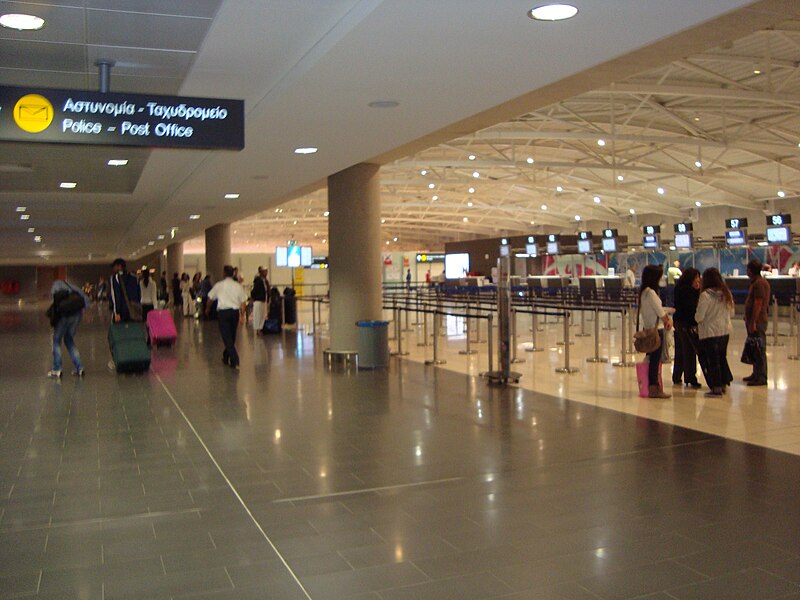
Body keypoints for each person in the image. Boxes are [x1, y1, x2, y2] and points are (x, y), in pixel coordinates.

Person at [695, 268, 734, 397]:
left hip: (710, 332)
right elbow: (732, 312)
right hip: (724, 330)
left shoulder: (705, 295)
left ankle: (716, 387)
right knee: (722, 358)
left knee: (713, 360)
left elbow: (699, 317)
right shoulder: (726, 293)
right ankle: (723, 383)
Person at [639, 264, 672, 399]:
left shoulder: (643, 292)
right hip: (656, 331)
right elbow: (660, 311)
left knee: (652, 358)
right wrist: (667, 319)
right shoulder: (651, 293)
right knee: (655, 360)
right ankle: (654, 387)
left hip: (648, 329)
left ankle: (650, 385)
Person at [207, 265, 247, 370]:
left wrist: (207, 309)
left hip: (223, 313)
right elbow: (243, 302)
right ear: (233, 273)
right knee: (232, 337)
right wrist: (242, 315)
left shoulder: (219, 285)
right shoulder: (238, 286)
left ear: (224, 273)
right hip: (234, 313)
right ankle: (226, 356)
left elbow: (210, 298)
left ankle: (235, 359)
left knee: (227, 338)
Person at [48, 279, 90, 378]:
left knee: (56, 341)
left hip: (64, 316)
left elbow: (56, 300)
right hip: (76, 315)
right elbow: (85, 299)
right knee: (69, 340)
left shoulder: (56, 285)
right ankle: (79, 367)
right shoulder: (72, 287)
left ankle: (57, 369)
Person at [672, 267, 702, 389]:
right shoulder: (689, 291)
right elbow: (691, 309)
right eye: (696, 278)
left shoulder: (679, 288)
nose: (698, 281)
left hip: (678, 322)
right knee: (689, 351)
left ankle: (677, 376)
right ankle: (691, 377)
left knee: (680, 350)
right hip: (686, 324)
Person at [743, 259, 770, 386]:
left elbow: (758, 304)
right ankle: (756, 373)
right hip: (753, 321)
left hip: (758, 321)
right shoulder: (755, 282)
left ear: (750, 270)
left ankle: (761, 376)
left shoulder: (759, 284)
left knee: (759, 349)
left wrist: (753, 322)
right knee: (754, 348)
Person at [109, 258, 141, 323]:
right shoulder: (134, 278)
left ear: (120, 266)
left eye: (114, 266)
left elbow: (116, 296)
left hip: (121, 311)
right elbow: (139, 294)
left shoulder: (115, 278)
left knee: (121, 331)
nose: (113, 268)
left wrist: (116, 312)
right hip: (133, 310)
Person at [250, 267, 269, 333]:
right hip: (258, 300)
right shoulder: (258, 280)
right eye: (265, 272)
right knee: (258, 314)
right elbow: (255, 290)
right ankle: (257, 328)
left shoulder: (265, 281)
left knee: (262, 315)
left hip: (263, 299)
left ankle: (260, 327)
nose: (266, 273)